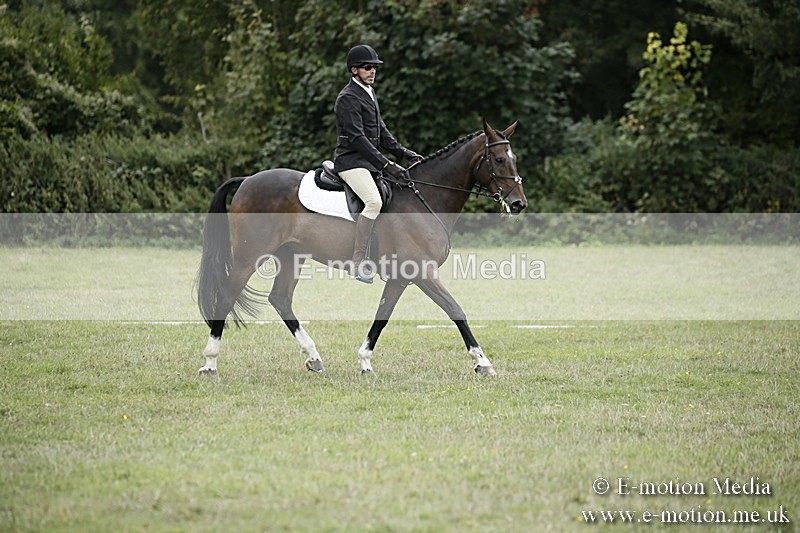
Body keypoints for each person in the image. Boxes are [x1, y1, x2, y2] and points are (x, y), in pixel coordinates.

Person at [333, 44, 422, 283]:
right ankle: (358, 262)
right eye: (367, 67)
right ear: (354, 70)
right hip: (351, 162)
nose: (373, 71)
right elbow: (358, 139)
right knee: (374, 201)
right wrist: (386, 165)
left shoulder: (369, 93)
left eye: (374, 67)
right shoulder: (347, 98)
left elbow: (381, 132)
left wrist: (404, 153)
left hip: (368, 163)